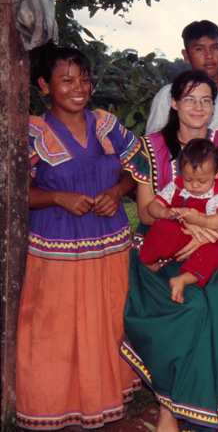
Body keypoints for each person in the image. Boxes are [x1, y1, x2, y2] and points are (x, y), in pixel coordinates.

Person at [122, 70, 218, 432]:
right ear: (174, 103)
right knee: (190, 305)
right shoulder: (151, 147)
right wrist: (187, 230)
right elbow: (149, 207)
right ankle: (171, 401)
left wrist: (202, 233)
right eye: (190, 99)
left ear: (214, 105)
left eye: (206, 100)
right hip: (163, 245)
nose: (198, 107)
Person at [16, 44, 141, 430]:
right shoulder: (32, 132)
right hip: (57, 247)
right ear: (43, 85)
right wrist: (56, 196)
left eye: (84, 79)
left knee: (107, 319)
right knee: (55, 328)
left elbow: (138, 167)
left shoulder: (105, 124)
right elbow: (15, 193)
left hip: (109, 241)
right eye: (66, 80)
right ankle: (54, 404)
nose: (78, 88)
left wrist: (118, 192)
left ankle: (104, 396)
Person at [138, 138, 218, 303]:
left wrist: (201, 219)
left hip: (204, 241)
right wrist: (164, 211)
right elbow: (151, 207)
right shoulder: (176, 187)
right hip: (177, 235)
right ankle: (148, 260)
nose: (194, 186)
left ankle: (183, 279)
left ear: (216, 174)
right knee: (162, 227)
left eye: (202, 181)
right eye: (188, 179)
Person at [146, 20, 218, 146]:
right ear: (186, 55)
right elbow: (155, 146)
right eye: (200, 49)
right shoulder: (168, 95)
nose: (209, 55)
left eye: (214, 48)